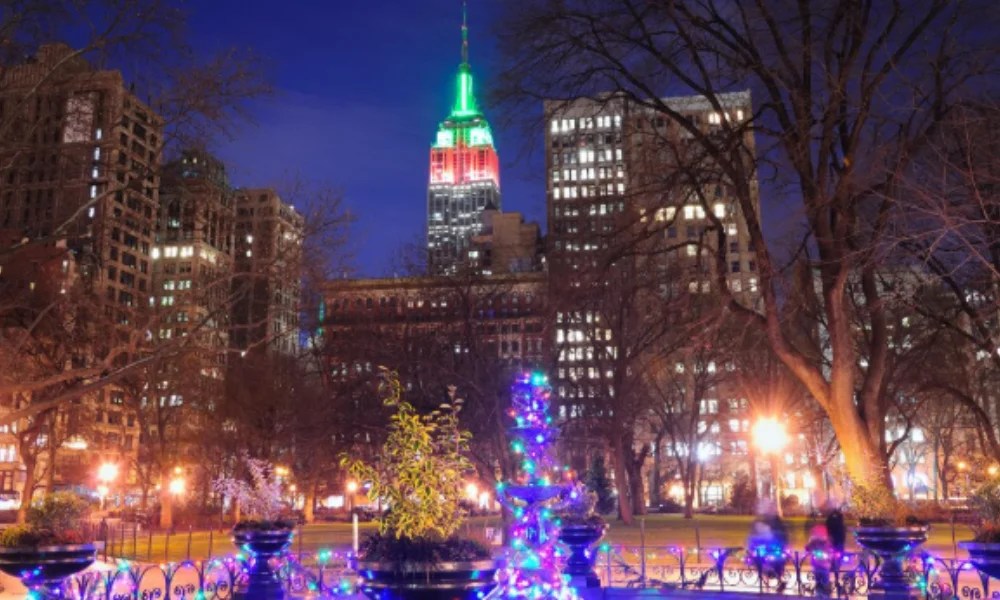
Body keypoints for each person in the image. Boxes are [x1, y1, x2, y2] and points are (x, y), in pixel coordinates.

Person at [806, 524, 833, 596]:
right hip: (816, 562)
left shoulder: (826, 541)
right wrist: (811, 549)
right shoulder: (813, 541)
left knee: (824, 576)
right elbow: (807, 548)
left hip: (824, 563)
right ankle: (820, 587)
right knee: (818, 576)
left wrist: (829, 554)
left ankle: (825, 588)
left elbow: (829, 549)